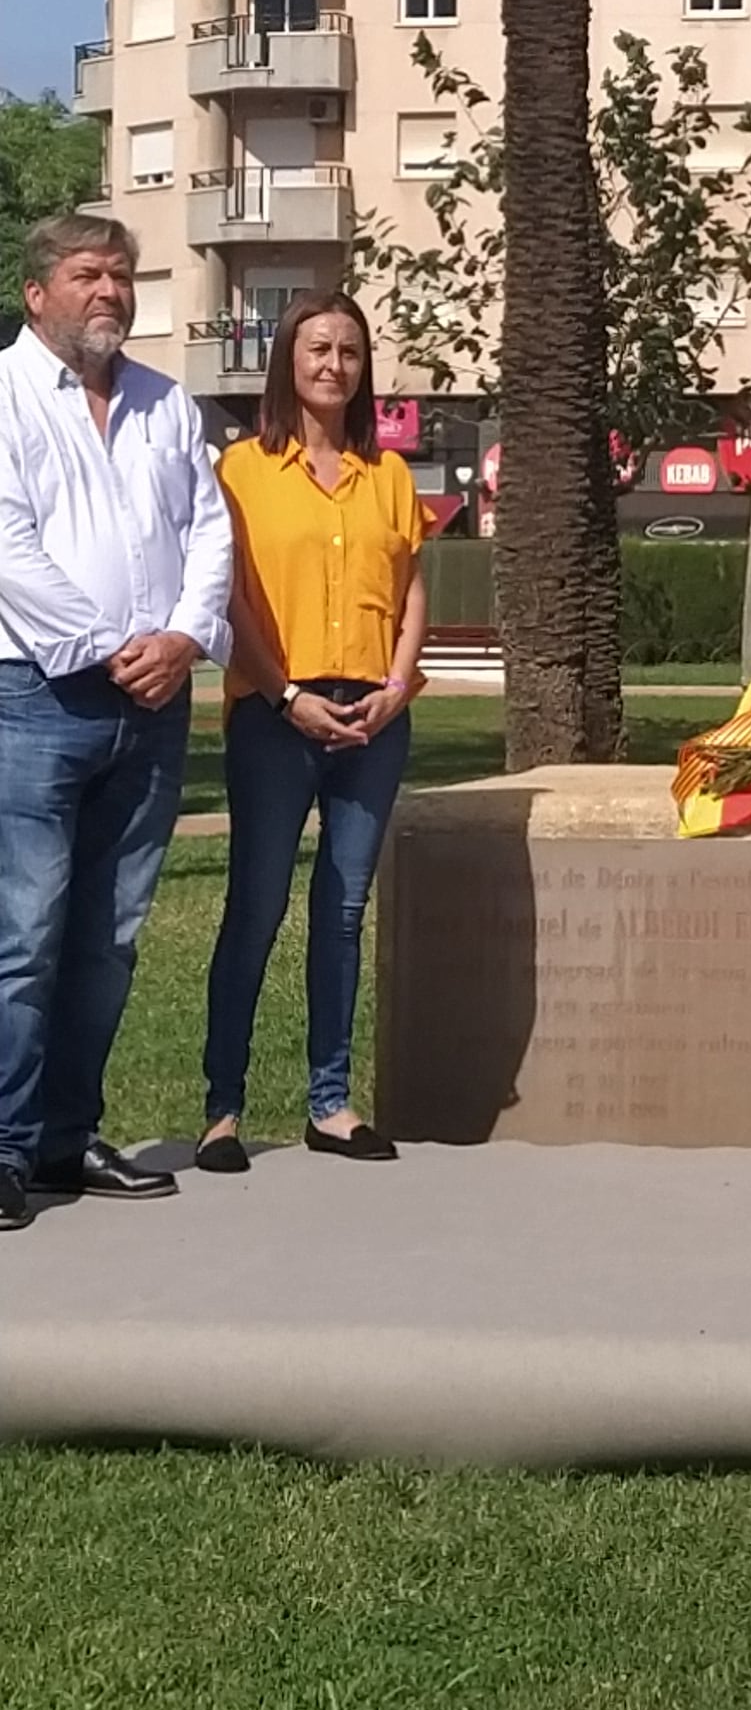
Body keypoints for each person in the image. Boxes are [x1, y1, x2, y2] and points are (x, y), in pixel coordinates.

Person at [0, 213, 234, 1230]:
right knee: (25, 933)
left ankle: (64, 1136)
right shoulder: (4, 396)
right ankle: (4, 1147)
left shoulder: (165, 403)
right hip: (36, 699)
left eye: (123, 275)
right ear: (36, 291)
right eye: (88, 273)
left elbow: (210, 530)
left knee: (111, 937)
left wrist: (182, 638)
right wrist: (112, 643)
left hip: (155, 702)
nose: (111, 291)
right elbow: (7, 546)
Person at [200, 292, 426, 1170]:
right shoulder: (243, 471)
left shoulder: (391, 476)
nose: (334, 365)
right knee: (255, 909)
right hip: (274, 715)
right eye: (318, 348)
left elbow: (410, 590)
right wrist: (285, 691)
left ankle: (329, 1102)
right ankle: (224, 1109)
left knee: (341, 913)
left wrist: (399, 686)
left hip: (375, 715)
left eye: (351, 352)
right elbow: (231, 600)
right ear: (288, 360)